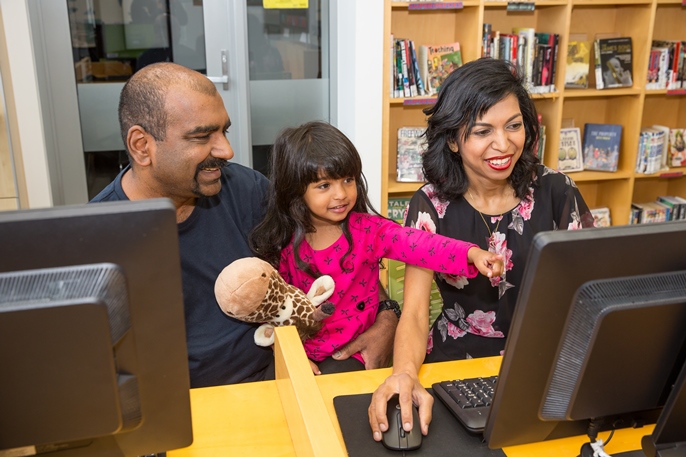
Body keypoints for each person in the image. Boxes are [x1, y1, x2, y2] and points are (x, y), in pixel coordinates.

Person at [368, 57, 596, 441]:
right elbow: (416, 310)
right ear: (454, 140)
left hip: (543, 364)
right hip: (453, 368)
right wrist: (404, 373)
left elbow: (593, 293)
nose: (504, 144)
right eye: (482, 131)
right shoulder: (429, 205)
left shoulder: (558, 191)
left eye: (514, 126)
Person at [249, 121, 504, 375]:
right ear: (295, 190)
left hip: (354, 353)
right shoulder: (283, 242)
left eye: (347, 180)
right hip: (299, 350)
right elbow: (273, 306)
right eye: (324, 185)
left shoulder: (368, 230)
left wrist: (470, 253)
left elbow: (418, 243)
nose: (341, 194)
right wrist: (289, 355)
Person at [90, 62, 274, 388]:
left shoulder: (248, 189)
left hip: (270, 380)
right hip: (177, 403)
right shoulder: (97, 237)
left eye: (224, 131)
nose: (226, 150)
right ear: (142, 146)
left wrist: (385, 315)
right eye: (202, 136)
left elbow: (326, 259)